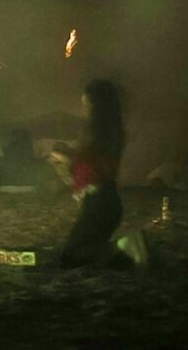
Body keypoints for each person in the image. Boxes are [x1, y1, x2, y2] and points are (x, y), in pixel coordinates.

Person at [56, 79, 147, 268]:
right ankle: (129, 252)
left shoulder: (101, 136)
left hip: (99, 203)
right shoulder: (108, 133)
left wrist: (66, 159)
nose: (83, 110)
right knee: (82, 255)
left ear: (99, 108)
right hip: (103, 202)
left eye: (86, 105)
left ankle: (126, 245)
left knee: (71, 256)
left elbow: (97, 168)